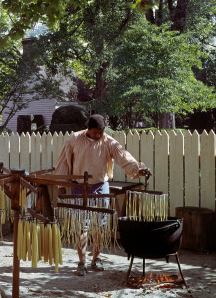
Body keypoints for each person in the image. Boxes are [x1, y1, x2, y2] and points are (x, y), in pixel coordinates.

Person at [53, 114, 151, 276]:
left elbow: (124, 157)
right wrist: (61, 185)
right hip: (79, 187)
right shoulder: (74, 139)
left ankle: (96, 259)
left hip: (100, 186)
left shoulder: (109, 142)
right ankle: (81, 262)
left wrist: (138, 170)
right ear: (88, 129)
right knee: (81, 225)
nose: (98, 135)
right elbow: (63, 161)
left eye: (101, 132)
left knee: (100, 225)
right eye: (95, 132)